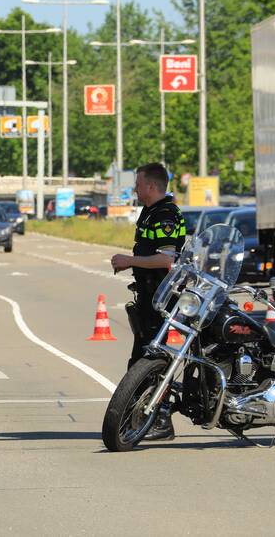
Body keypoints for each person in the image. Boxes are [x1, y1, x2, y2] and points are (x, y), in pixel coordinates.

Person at [110, 162, 186, 441]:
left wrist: (129, 260)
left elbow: (166, 259)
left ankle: (161, 419)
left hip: (161, 298)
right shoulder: (150, 211)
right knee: (139, 359)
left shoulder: (165, 214)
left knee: (154, 360)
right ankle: (139, 417)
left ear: (151, 186)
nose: (135, 189)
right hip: (148, 296)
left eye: (138, 184)